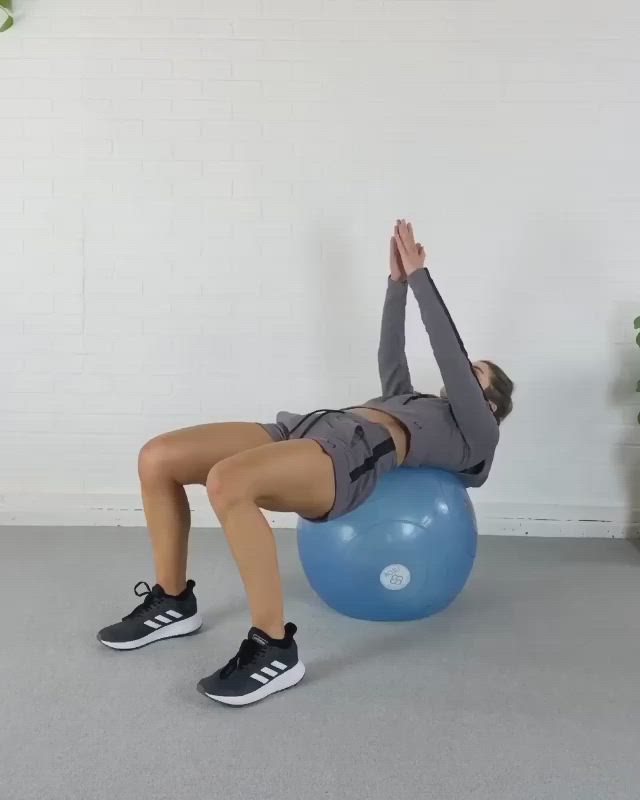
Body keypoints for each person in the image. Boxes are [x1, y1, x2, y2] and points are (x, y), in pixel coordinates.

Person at [97, 219, 515, 707]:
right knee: (158, 458)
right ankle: (172, 601)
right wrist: (396, 285)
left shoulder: (477, 433)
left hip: (352, 456)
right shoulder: (416, 401)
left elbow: (449, 357)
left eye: (474, 375)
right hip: (310, 426)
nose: (462, 376)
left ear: (491, 405)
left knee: (228, 482)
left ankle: (274, 649)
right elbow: (391, 353)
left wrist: (422, 278)